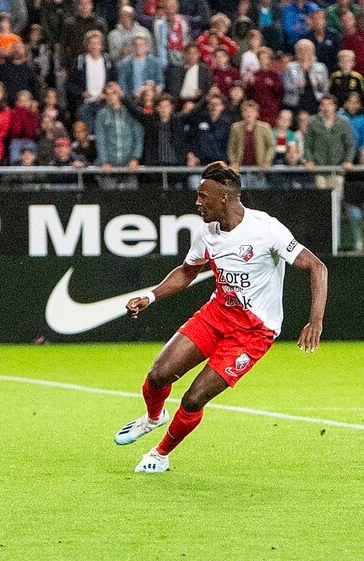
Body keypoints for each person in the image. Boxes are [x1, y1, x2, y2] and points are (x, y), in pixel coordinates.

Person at [116, 162, 328, 473]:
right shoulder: (207, 232)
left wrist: (316, 321)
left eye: (203, 196)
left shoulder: (266, 229)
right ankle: (153, 417)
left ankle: (160, 455)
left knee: (192, 399)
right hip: (217, 314)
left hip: (253, 332)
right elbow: (187, 272)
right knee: (158, 376)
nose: (197, 202)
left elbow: (317, 267)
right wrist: (150, 296)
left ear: (225, 197)